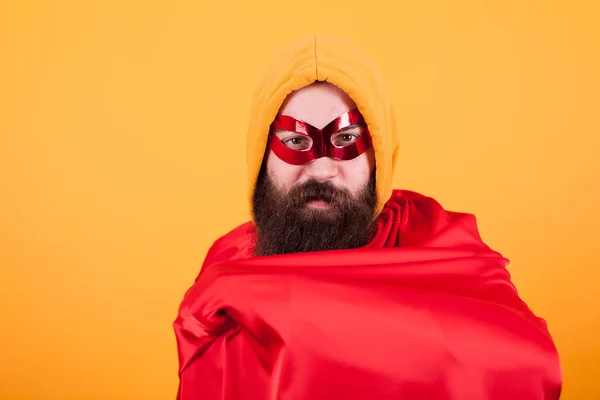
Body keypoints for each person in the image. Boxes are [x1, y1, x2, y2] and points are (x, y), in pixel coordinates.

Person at [173, 33, 562, 399]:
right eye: (295, 142)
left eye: (345, 141)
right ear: (261, 154)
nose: (322, 170)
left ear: (379, 153)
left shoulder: (441, 244)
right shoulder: (228, 265)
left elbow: (524, 359)